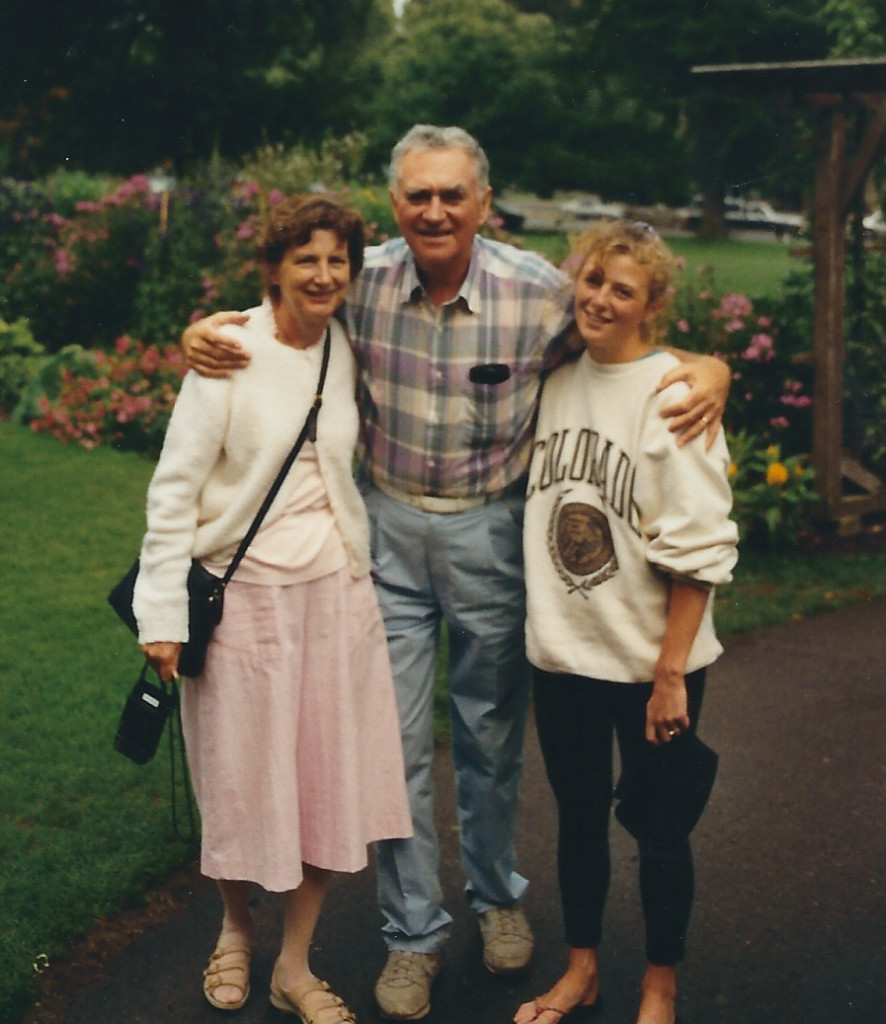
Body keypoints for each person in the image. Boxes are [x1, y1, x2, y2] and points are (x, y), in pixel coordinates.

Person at [182, 125, 731, 1022]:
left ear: (484, 203)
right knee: (392, 745)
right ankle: (412, 936)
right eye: (416, 195)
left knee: (488, 737)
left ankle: (496, 898)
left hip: (491, 535)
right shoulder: (363, 284)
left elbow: (631, 335)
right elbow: (283, 312)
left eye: (451, 195)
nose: (433, 210)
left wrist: (718, 370)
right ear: (395, 202)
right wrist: (202, 330)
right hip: (387, 534)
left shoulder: (541, 293)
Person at [134, 195, 412, 1022]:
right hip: (241, 597)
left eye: (338, 261)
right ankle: (234, 925)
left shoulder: (347, 349)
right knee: (238, 779)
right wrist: (160, 615)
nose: (324, 275)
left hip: (334, 596)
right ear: (273, 268)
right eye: (306, 259)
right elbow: (173, 489)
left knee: (329, 781)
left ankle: (295, 961)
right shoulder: (228, 353)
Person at [516, 221, 739, 1024]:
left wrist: (671, 673)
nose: (600, 299)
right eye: (593, 280)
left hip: (653, 665)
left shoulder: (676, 395)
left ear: (653, 306)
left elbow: (702, 547)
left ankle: (659, 983)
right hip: (565, 656)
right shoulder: (557, 378)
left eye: (623, 289)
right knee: (577, 820)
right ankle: (582, 971)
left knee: (659, 828)